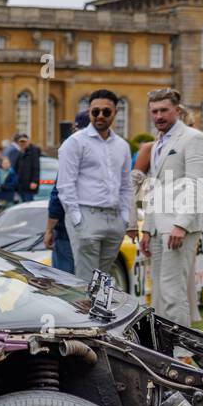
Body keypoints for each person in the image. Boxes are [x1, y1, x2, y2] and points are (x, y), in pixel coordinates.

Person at [135, 87, 203, 327]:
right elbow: (155, 187)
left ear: (177, 110)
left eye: (164, 110)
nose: (158, 116)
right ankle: (163, 351)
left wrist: (181, 224)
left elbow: (196, 184)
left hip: (180, 226)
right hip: (158, 226)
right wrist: (147, 228)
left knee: (173, 292)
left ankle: (180, 352)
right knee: (158, 293)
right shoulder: (158, 142)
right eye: (154, 111)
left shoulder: (193, 138)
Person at [56, 89, 134, 282]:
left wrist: (125, 217)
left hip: (114, 219)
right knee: (87, 280)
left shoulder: (122, 146)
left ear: (115, 112)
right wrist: (76, 219)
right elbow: (65, 185)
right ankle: (86, 313)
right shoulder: (75, 143)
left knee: (104, 278)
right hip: (86, 215)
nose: (100, 116)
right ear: (89, 111)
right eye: (95, 111)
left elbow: (125, 185)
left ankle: (100, 312)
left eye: (106, 112)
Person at [44, 111, 91, 276]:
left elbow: (59, 194)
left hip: (69, 228)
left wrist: (49, 229)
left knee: (66, 283)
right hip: (96, 226)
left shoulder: (72, 150)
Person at [15, 133, 42, 202]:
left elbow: (36, 167)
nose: (22, 143)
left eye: (24, 142)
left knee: (28, 203)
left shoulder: (33, 151)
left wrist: (34, 181)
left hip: (29, 184)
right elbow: (17, 167)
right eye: (21, 142)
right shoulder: (20, 152)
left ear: (28, 141)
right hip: (21, 184)